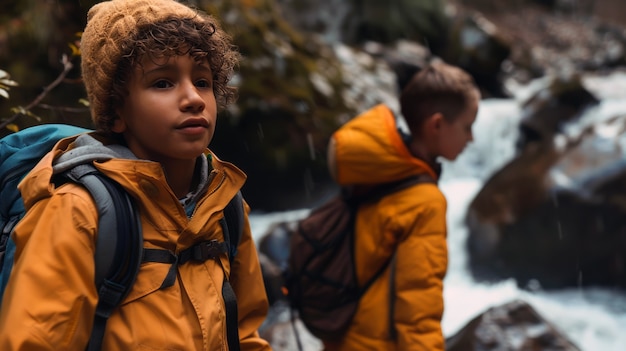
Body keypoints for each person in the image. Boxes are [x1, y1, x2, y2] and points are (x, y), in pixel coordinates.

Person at [0, 0, 271, 350]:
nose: (193, 99)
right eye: (162, 83)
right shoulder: (78, 212)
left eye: (202, 81)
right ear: (116, 112)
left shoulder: (226, 206)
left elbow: (245, 336)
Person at [324, 59, 480, 350]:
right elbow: (419, 308)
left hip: (344, 338)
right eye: (468, 127)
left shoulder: (377, 175)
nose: (472, 138)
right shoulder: (425, 201)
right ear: (437, 124)